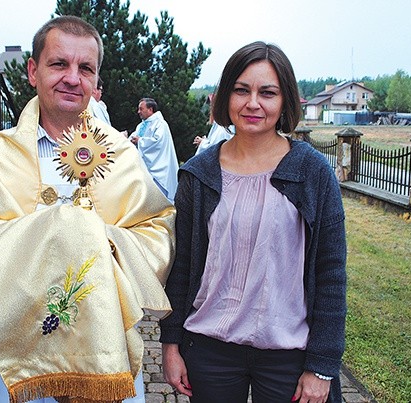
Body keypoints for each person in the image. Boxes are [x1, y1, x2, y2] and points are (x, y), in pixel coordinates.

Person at [0, 16, 175, 403]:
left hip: (104, 338)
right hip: (24, 341)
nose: (72, 78)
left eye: (85, 69)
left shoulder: (122, 154)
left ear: (97, 83)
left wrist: (99, 242)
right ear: (33, 71)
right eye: (59, 64)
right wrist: (44, 235)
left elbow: (156, 229)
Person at [159, 41, 347, 403]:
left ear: (285, 100)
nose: (253, 103)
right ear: (225, 96)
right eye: (241, 90)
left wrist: (322, 365)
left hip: (288, 355)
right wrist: (171, 344)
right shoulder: (199, 175)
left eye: (268, 93)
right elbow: (180, 267)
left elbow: (331, 274)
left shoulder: (311, 173)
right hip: (210, 348)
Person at [129, 98, 178, 202]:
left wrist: (140, 141)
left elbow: (158, 142)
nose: (138, 112)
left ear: (150, 109)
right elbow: (134, 136)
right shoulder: (141, 125)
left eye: (141, 109)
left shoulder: (160, 124)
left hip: (158, 166)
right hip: (144, 167)